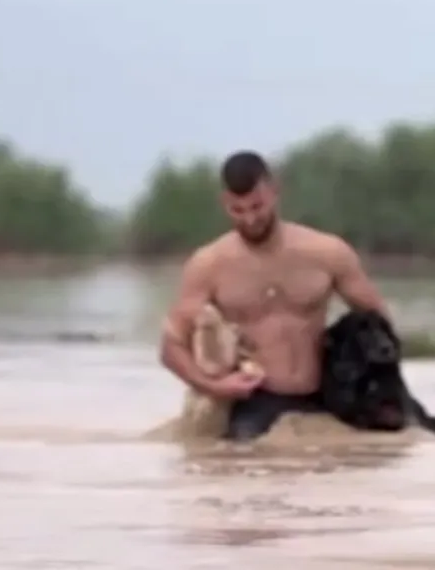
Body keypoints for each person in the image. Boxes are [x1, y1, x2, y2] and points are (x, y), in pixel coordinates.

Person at [158, 150, 394, 441]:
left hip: (325, 397)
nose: (250, 219)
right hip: (254, 402)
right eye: (238, 210)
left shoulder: (327, 252)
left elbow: (380, 325)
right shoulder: (209, 264)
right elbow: (171, 348)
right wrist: (215, 387)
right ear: (225, 204)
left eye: (257, 206)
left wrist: (370, 383)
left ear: (275, 191)